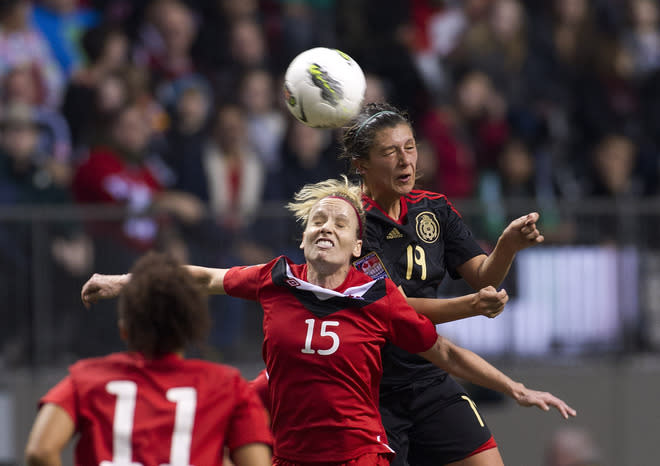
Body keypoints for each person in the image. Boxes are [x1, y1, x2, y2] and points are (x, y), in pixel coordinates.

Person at [81, 177, 576, 466]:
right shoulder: (275, 279)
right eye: (318, 220)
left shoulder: (376, 297)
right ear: (303, 238)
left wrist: (515, 388)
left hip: (360, 454)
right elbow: (203, 277)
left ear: (358, 247)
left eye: (340, 223)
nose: (326, 227)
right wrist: (122, 281)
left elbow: (443, 353)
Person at [342, 102, 549, 465]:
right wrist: (471, 306)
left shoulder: (434, 209)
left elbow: (484, 276)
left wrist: (508, 245)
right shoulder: (352, 222)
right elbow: (398, 310)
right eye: (390, 152)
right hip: (372, 389)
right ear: (361, 164)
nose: (406, 160)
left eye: (410, 146)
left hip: (427, 376)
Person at [24, 251, 273, 466]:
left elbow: (40, 451)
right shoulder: (227, 386)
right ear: (194, 329)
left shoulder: (87, 378)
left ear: (124, 330)